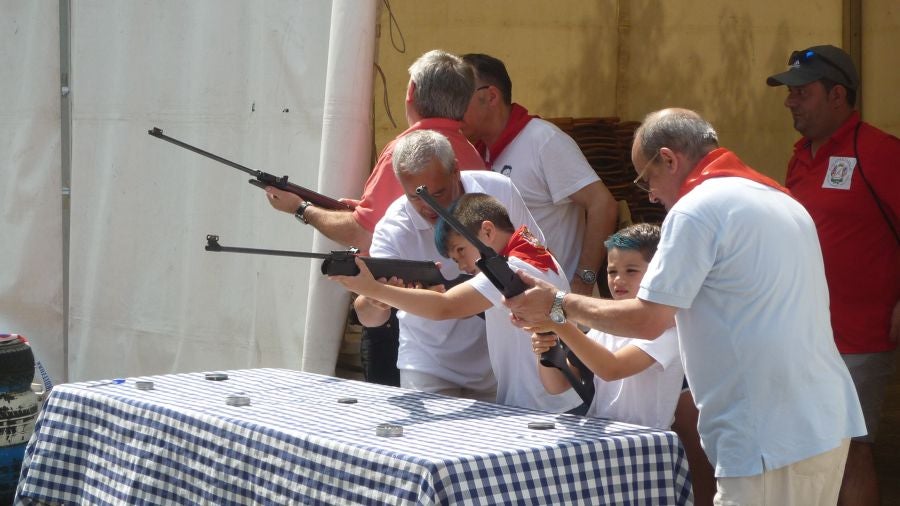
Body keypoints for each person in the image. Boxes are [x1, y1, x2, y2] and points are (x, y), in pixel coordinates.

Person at [504, 108, 866, 505]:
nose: (652, 195)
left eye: (648, 180)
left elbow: (647, 319)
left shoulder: (696, 209)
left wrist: (557, 304)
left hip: (767, 427)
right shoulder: (781, 200)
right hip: (819, 418)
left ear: (670, 159)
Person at [263, 49, 487, 387]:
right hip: (472, 342)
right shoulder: (469, 151)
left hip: (410, 323)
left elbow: (361, 233)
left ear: (412, 93)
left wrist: (300, 209)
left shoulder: (405, 151)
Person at [767, 44, 900, 506]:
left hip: (859, 335)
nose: (790, 102)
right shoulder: (800, 156)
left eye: (801, 93)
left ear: (837, 94)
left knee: (851, 451)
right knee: (810, 451)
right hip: (802, 333)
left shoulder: (879, 151)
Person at [331, 192, 581, 412]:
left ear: (488, 231)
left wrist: (371, 288)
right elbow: (454, 305)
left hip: (544, 406)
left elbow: (446, 308)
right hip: (551, 399)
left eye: (461, 250)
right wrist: (423, 292)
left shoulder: (511, 268)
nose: (461, 265)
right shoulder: (533, 253)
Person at [353, 129, 543, 400]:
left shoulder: (498, 190)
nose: (428, 207)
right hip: (427, 364)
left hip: (501, 359)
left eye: (438, 193)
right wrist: (377, 297)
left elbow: (534, 256)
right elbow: (370, 317)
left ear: (456, 171)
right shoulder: (392, 228)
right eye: (415, 197)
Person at [460, 53, 618, 296]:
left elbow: (603, 204)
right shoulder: (477, 152)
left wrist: (584, 278)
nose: (452, 107)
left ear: (491, 96)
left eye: (459, 95)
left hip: (558, 309)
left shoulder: (543, 140)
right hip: (512, 306)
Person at [529, 223, 682, 429]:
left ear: (658, 272)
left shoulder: (668, 329)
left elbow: (611, 368)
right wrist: (545, 341)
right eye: (612, 271)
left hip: (643, 442)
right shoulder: (604, 326)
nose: (618, 279)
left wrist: (558, 323)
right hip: (601, 437)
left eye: (631, 271)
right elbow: (557, 385)